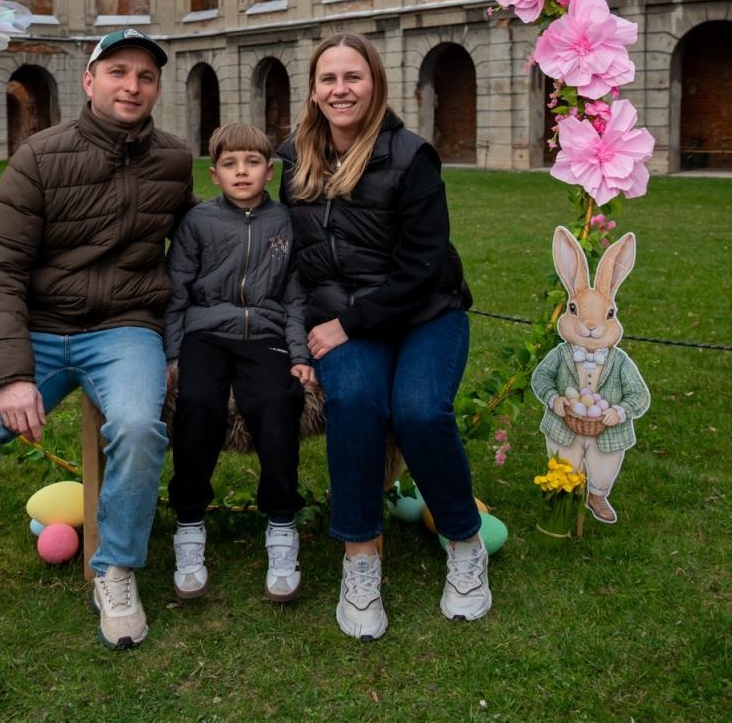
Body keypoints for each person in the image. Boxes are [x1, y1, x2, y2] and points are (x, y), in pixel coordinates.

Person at [0, 29, 194, 651]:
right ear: (89, 81)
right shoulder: (40, 155)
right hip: (39, 330)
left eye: (145, 76)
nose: (131, 85)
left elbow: (192, 250)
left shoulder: (173, 160)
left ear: (157, 88)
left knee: (139, 427)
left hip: (125, 329)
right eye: (117, 72)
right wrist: (11, 373)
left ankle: (115, 569)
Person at [276, 32, 488, 642]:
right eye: (328, 80)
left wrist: (347, 323)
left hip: (424, 313)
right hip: (342, 319)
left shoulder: (410, 154)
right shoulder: (294, 158)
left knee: (420, 411)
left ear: (375, 85)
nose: (341, 90)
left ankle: (463, 538)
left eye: (353, 77)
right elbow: (288, 253)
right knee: (356, 403)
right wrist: (301, 337)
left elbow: (423, 265)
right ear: (313, 92)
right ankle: (361, 555)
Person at [163, 123, 315, 603]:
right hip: (206, 332)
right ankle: (189, 522)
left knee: (277, 401)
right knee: (199, 403)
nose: (242, 171)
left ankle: (281, 524)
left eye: (252, 162)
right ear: (214, 175)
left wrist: (299, 355)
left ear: (269, 171)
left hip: (266, 335)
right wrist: (172, 354)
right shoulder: (198, 223)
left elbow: (295, 296)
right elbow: (176, 291)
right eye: (230, 164)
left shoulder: (285, 222)